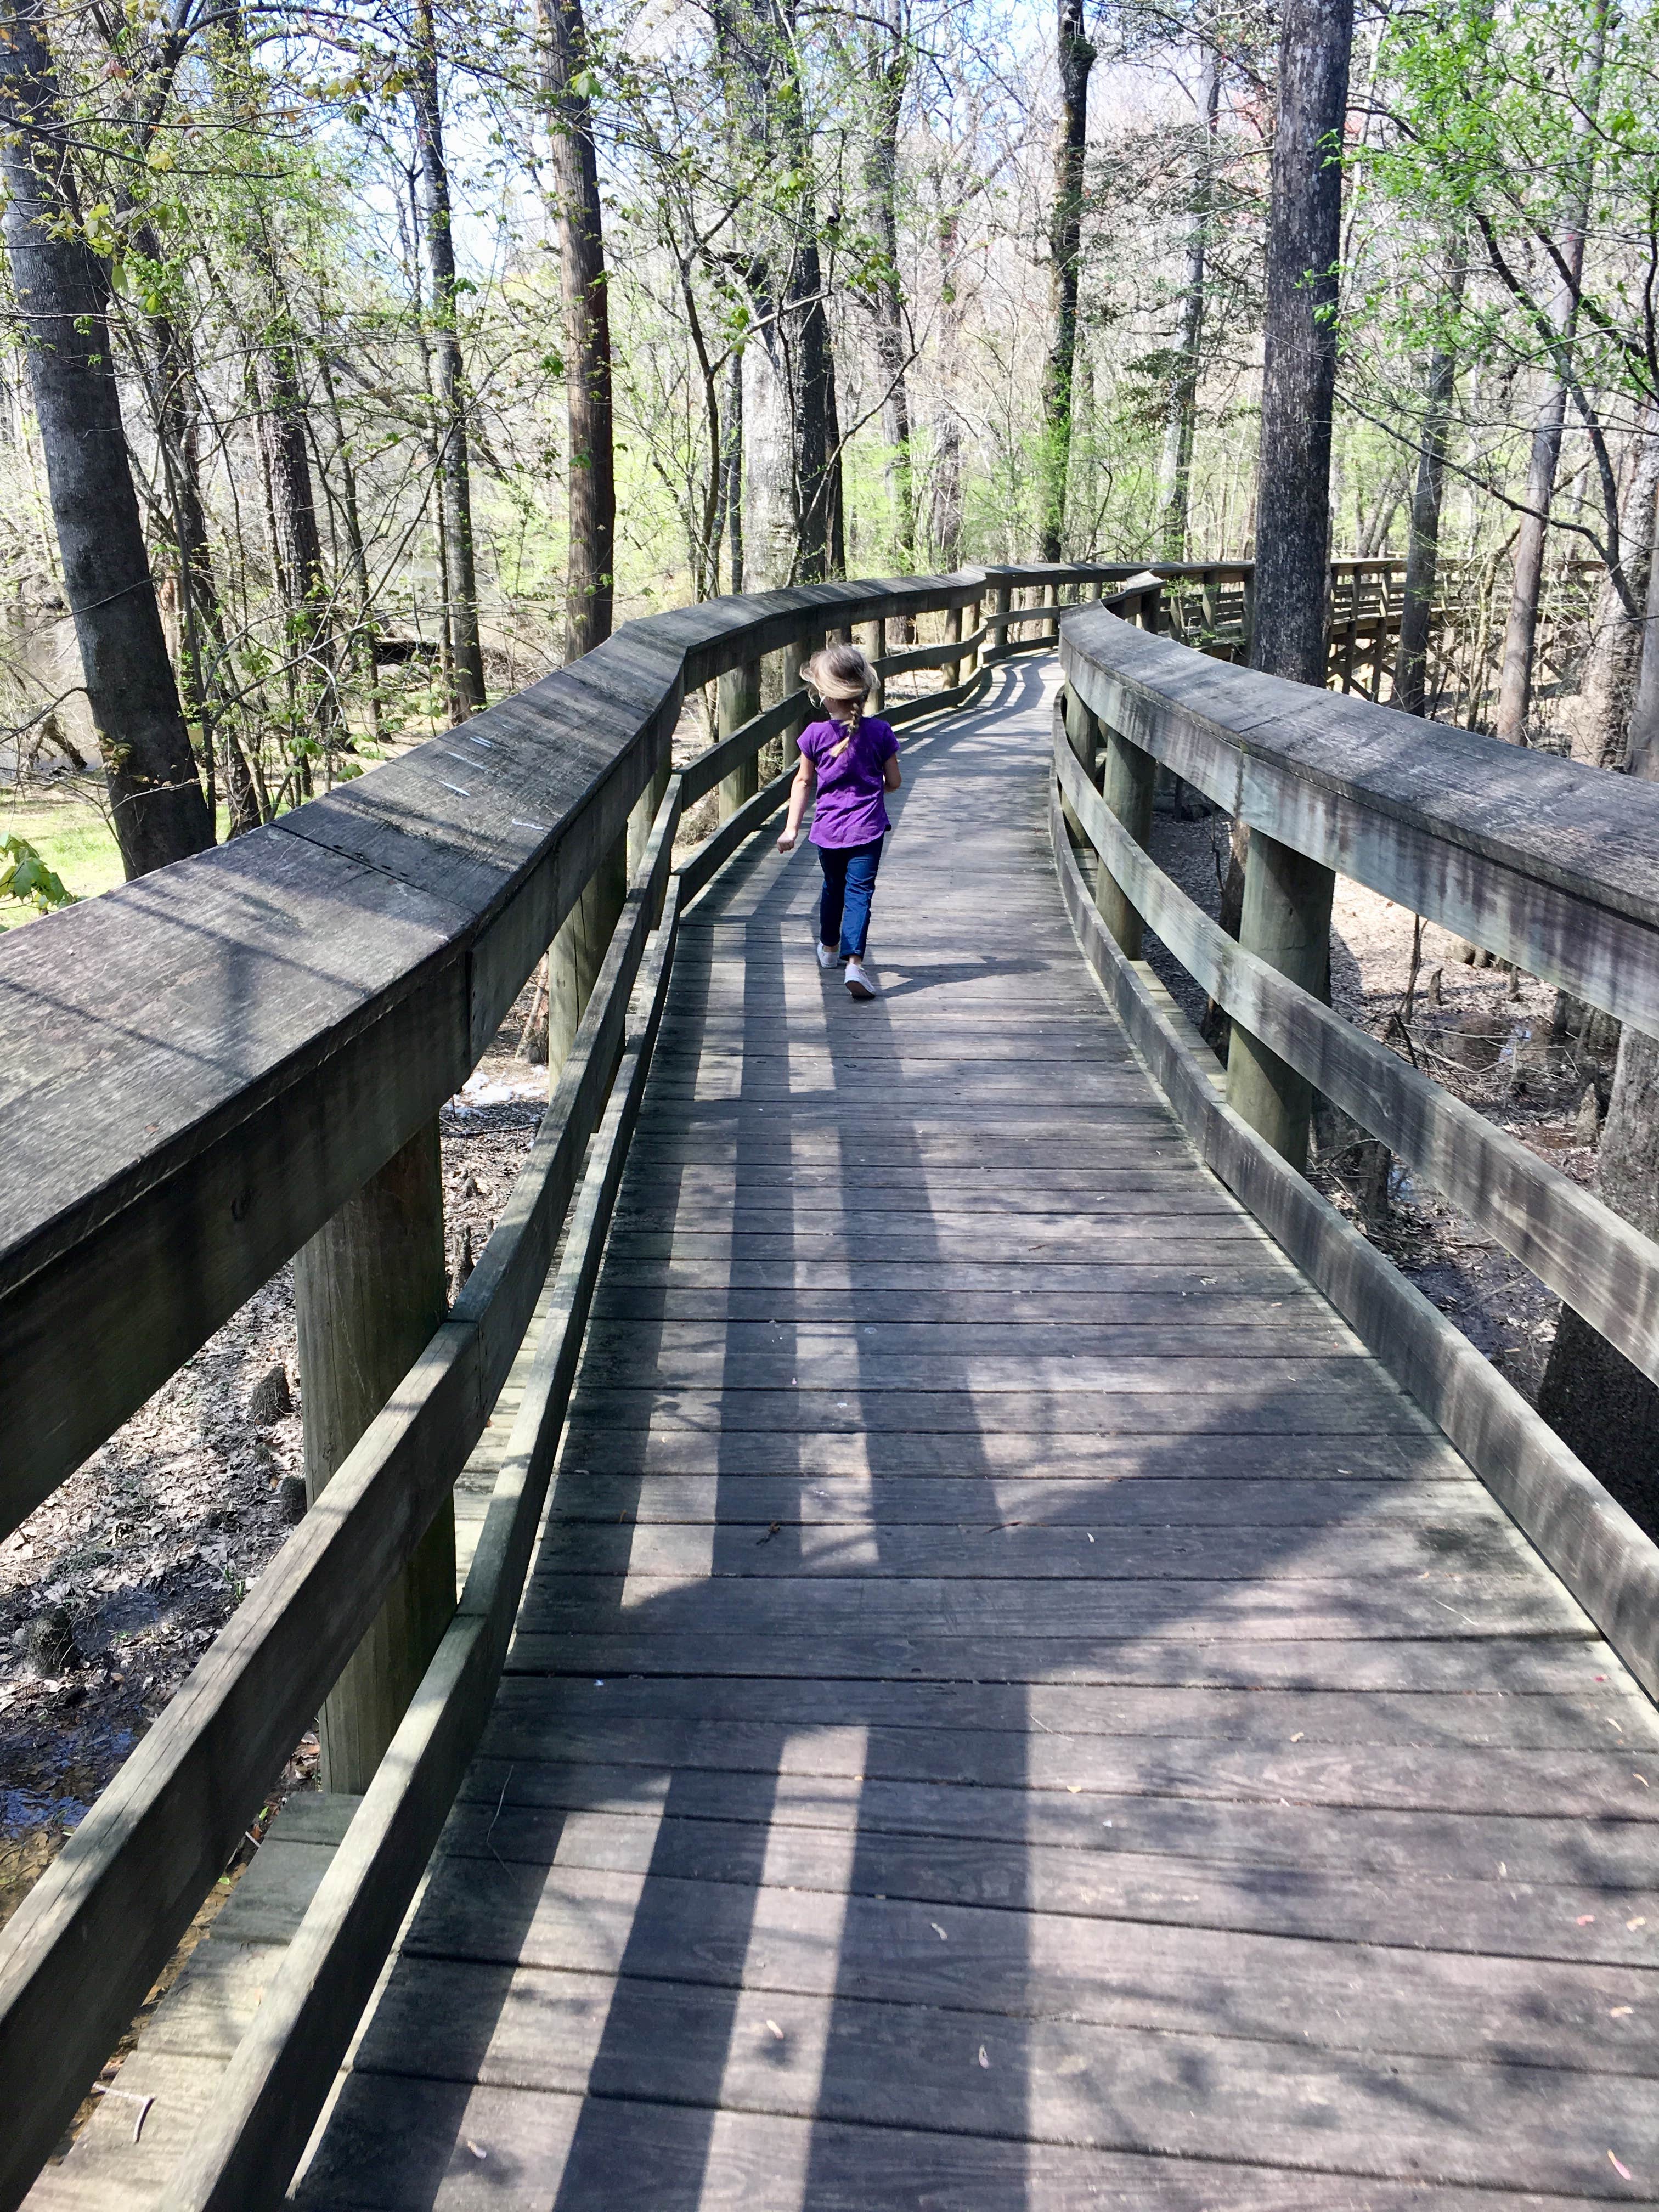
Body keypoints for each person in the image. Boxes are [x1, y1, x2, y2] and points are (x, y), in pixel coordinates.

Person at [776, 642, 901, 1000]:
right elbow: (894, 782)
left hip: (828, 830)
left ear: (824, 695)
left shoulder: (814, 735)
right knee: (859, 893)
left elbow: (802, 782)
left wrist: (790, 829)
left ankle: (829, 948)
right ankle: (854, 963)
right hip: (869, 828)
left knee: (833, 887)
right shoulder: (880, 732)